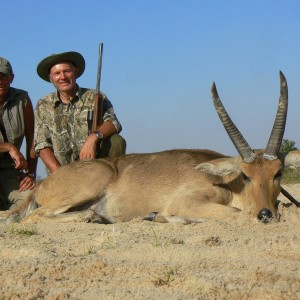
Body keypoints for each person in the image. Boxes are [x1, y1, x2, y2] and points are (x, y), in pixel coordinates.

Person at [35, 51, 126, 174]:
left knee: (116, 141)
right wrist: (59, 174)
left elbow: (113, 123)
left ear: (76, 72)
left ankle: (112, 180)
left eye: (67, 71)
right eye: (57, 73)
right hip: (62, 173)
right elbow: (41, 144)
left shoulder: (95, 96)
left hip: (95, 169)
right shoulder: (44, 104)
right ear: (50, 78)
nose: (62, 77)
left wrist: (93, 137)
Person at [0, 57, 37, 210]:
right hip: (10, 158)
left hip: (10, 169)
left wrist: (30, 174)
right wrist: (9, 147)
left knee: (29, 203)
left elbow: (32, 138)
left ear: (11, 78)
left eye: (3, 76)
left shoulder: (23, 99)